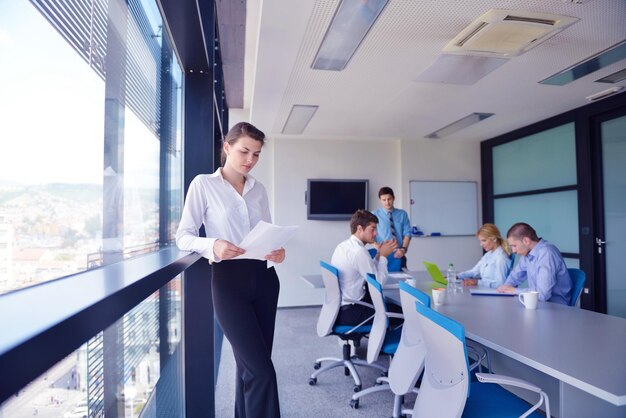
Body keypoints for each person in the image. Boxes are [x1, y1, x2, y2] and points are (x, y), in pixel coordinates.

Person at [176, 122, 284, 418]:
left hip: (265, 279)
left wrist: (278, 251)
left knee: (249, 367)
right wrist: (214, 246)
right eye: (244, 151)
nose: (250, 160)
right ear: (227, 147)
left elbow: (268, 230)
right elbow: (182, 236)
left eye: (257, 154)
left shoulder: (258, 189)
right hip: (228, 282)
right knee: (261, 372)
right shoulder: (204, 184)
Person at [331, 209, 402, 327]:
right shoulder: (359, 252)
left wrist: (379, 254)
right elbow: (378, 283)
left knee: (391, 307)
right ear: (360, 229)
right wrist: (384, 256)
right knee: (400, 313)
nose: (376, 234)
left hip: (340, 307)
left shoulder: (343, 246)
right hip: (353, 310)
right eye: (372, 229)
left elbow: (368, 270)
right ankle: (385, 344)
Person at [496, 222, 571, 305]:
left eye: (514, 246)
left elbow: (542, 295)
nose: (513, 251)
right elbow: (514, 277)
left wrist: (514, 290)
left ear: (526, 241)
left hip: (556, 307)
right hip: (538, 304)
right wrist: (505, 288)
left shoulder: (547, 253)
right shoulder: (527, 254)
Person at [459, 223, 512, 288]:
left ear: (494, 239)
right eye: (480, 241)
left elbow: (501, 284)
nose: (481, 244)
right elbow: (473, 272)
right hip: (485, 291)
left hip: (495, 295)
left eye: (484, 241)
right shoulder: (488, 255)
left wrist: (478, 282)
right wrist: (456, 276)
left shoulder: (501, 257)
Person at [372, 187, 411, 270]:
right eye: (384, 200)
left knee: (402, 280)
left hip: (399, 253)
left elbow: (407, 234)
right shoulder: (374, 214)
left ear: (394, 198)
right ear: (380, 200)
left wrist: (403, 249)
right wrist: (375, 245)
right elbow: (369, 234)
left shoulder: (402, 214)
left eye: (389, 199)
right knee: (383, 280)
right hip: (382, 255)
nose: (387, 202)